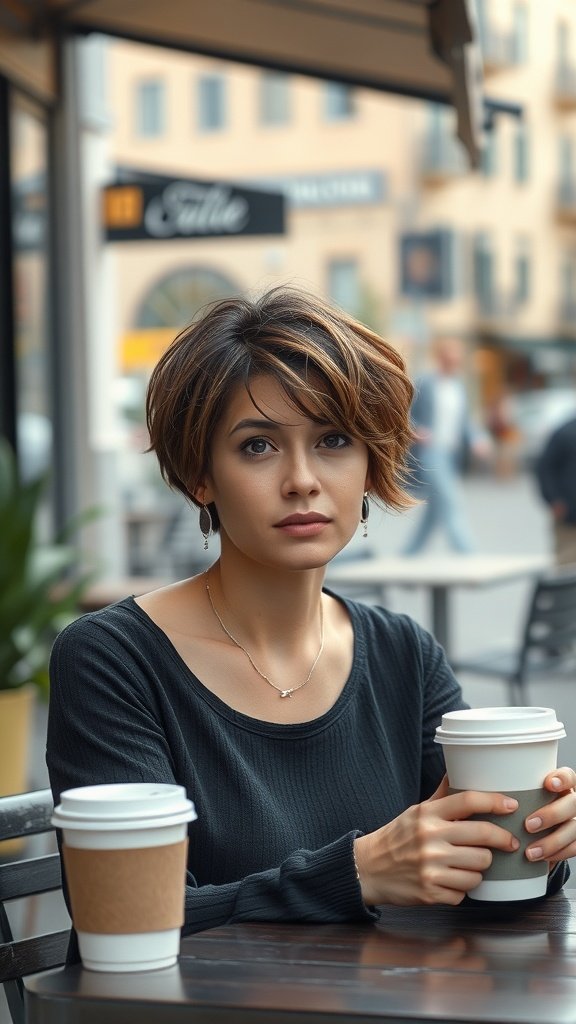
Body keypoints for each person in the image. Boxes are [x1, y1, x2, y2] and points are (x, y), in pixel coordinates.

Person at [47, 288, 575, 939]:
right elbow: (122, 917)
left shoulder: (403, 654)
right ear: (200, 475)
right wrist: (356, 873)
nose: (301, 479)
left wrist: (541, 839)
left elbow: (483, 863)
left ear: (369, 467)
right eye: (258, 447)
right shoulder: (113, 660)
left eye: (332, 440)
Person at [401, 335, 490, 556]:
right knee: (451, 501)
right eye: (450, 358)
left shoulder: (458, 386)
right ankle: (469, 556)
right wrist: (417, 429)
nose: (454, 362)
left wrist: (477, 438)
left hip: (451, 454)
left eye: (457, 358)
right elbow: (405, 413)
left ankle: (406, 558)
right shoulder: (425, 382)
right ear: (440, 358)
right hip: (431, 453)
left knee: (434, 512)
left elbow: (465, 421)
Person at [535, 414, 576, 567]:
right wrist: (553, 499)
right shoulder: (566, 433)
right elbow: (544, 468)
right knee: (568, 572)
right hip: (570, 522)